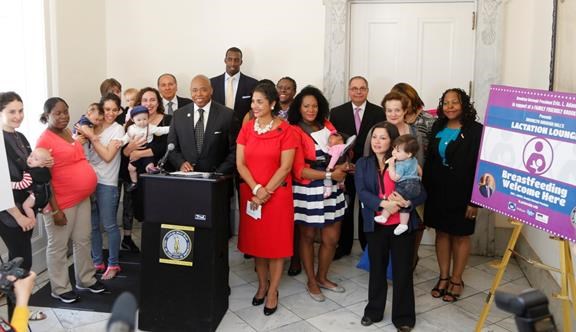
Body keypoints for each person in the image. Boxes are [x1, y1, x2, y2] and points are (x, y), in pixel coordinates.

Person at [37, 97, 107, 304]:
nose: (63, 116)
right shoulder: (44, 141)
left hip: (81, 198)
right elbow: (44, 179)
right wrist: (55, 210)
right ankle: (59, 288)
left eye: (66, 111)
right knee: (58, 247)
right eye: (58, 113)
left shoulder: (68, 132)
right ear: (47, 115)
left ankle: (85, 279)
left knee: (83, 240)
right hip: (60, 203)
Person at [355, 121, 425, 330]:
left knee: (402, 271)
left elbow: (422, 192)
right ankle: (374, 311)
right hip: (376, 224)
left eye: (383, 137)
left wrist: (408, 202)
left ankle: (404, 317)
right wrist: (383, 204)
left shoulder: (405, 161)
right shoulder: (363, 163)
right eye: (374, 137)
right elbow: (362, 191)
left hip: (401, 226)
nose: (377, 142)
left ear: (393, 141)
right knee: (377, 269)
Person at [236, 81, 297, 316]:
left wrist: (265, 192)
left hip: (277, 196)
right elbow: (240, 163)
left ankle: (273, 291)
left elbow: (285, 167)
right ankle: (261, 285)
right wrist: (256, 189)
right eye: (253, 101)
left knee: (275, 246)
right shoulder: (247, 128)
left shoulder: (286, 130)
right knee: (257, 245)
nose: (255, 105)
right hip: (252, 194)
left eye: (260, 101)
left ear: (272, 103)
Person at [289, 86, 348, 302]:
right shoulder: (293, 130)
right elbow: (298, 170)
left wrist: (345, 165)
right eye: (306, 106)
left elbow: (340, 150)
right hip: (308, 188)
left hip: (332, 188)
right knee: (307, 236)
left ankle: (323, 277)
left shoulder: (328, 124)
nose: (311, 110)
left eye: (314, 105)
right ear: (299, 108)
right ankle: (311, 280)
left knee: (331, 238)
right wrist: (329, 175)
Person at [423, 88, 482, 303]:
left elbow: (480, 167)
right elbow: (431, 160)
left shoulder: (476, 131)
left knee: (460, 235)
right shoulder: (438, 126)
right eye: (446, 102)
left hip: (463, 193)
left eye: (454, 102)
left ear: (463, 104)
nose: (449, 106)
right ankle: (444, 276)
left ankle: (457, 280)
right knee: (442, 234)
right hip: (437, 191)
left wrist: (475, 201)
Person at [1, 91, 52, 321]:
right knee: (18, 267)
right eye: (12, 111)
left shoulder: (20, 137)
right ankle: (16, 320)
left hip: (25, 206)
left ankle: (20, 312)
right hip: (9, 213)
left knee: (23, 262)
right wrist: (19, 216)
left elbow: (31, 170)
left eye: (20, 110)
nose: (18, 116)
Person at [329, 76, 385, 258]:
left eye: (362, 88)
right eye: (354, 88)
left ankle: (367, 247)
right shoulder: (337, 112)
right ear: (349, 90)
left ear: (367, 90)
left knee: (367, 208)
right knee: (344, 207)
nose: (358, 92)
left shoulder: (379, 112)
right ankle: (343, 246)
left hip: (370, 169)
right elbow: (334, 143)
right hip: (345, 169)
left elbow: (382, 141)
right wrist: (344, 165)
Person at [77, 93, 125, 280]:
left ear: (119, 110)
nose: (110, 113)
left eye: (114, 110)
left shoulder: (118, 130)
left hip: (107, 183)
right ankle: (97, 261)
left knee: (110, 224)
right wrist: (86, 134)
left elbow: (107, 156)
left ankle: (113, 264)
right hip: (88, 181)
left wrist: (92, 137)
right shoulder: (91, 125)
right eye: (107, 109)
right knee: (93, 226)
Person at [388, 83, 435, 269]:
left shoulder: (427, 120)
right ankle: (398, 260)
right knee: (397, 217)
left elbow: (432, 151)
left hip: (419, 177)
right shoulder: (393, 119)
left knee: (417, 221)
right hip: (398, 176)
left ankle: (412, 257)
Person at [168, 75, 236, 174]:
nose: (198, 94)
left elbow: (235, 151)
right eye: (194, 90)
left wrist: (219, 173)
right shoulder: (179, 115)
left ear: (211, 90)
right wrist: (181, 163)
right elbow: (171, 147)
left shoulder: (227, 115)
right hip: (188, 178)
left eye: (203, 90)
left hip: (218, 179)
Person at [124, 87, 173, 222]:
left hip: (162, 175)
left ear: (158, 102)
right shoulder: (132, 123)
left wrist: (140, 153)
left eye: (152, 100)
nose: (149, 103)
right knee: (144, 214)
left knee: (163, 213)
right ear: (139, 103)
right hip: (139, 175)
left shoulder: (168, 120)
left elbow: (167, 147)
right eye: (145, 100)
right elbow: (125, 152)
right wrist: (131, 149)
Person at [374, 134, 421, 236]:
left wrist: (391, 165)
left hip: (406, 185)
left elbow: (395, 177)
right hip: (415, 185)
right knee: (403, 204)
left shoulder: (401, 164)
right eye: (394, 149)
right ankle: (403, 224)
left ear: (408, 154)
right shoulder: (413, 160)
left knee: (393, 198)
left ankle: (384, 216)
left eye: (398, 151)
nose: (394, 152)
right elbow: (419, 171)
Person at [117, 106, 170, 191]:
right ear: (133, 119)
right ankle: (134, 182)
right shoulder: (131, 128)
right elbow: (126, 137)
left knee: (149, 165)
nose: (142, 122)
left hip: (146, 149)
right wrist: (121, 142)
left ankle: (152, 171)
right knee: (131, 168)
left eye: (145, 119)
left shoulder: (150, 127)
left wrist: (171, 128)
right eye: (139, 120)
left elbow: (160, 130)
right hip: (135, 151)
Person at [210, 47, 258, 137]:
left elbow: (255, 109)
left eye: (236, 60)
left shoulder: (253, 84)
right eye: (230, 59)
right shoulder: (212, 83)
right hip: (216, 132)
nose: (233, 63)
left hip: (242, 132)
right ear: (225, 60)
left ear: (241, 62)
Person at [11, 147, 53, 220]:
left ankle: (32, 219)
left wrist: (11, 184)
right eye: (31, 156)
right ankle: (45, 207)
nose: (31, 159)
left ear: (43, 164)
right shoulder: (44, 170)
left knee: (26, 206)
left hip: (37, 195)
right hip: (46, 194)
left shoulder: (30, 172)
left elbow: (23, 185)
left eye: (36, 159)